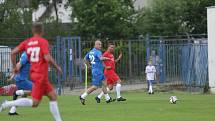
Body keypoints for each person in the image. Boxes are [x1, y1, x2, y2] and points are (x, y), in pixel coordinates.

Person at [0, 22, 63, 121]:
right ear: (42, 31)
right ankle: (8, 104)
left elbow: (13, 53)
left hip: (36, 75)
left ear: (33, 31)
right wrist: (57, 67)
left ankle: (10, 104)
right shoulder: (43, 42)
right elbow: (47, 57)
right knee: (36, 101)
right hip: (41, 76)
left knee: (51, 96)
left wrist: (14, 68)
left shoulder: (27, 42)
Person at [79, 40, 112, 105]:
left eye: (101, 44)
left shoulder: (91, 52)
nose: (100, 46)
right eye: (99, 44)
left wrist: (89, 66)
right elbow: (101, 58)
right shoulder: (97, 51)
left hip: (97, 70)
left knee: (104, 83)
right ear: (95, 45)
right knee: (95, 87)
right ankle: (82, 96)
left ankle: (108, 99)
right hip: (97, 71)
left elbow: (85, 59)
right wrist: (108, 58)